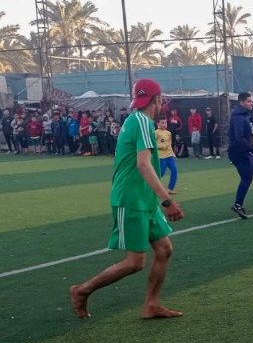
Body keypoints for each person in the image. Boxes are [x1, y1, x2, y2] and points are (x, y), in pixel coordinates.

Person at [69, 78, 185, 320]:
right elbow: (143, 165)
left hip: (144, 198)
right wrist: (167, 200)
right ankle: (82, 290)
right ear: (158, 99)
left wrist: (156, 199)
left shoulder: (136, 120)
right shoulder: (142, 122)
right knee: (135, 262)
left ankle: (151, 305)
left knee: (164, 249)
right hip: (131, 199)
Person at [155, 116, 178, 194]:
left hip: (170, 155)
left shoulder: (168, 133)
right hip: (161, 156)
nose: (164, 124)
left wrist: (173, 154)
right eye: (162, 123)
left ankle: (170, 188)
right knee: (161, 173)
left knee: (174, 171)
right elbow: (153, 145)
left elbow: (169, 145)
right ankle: (151, 186)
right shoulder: (156, 133)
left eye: (165, 122)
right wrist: (161, 146)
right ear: (158, 123)